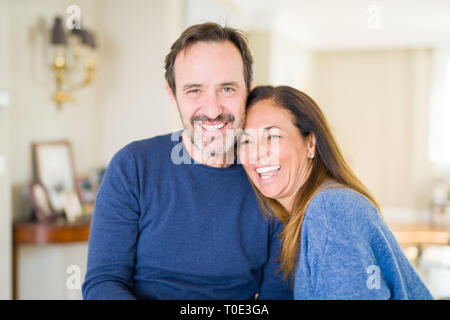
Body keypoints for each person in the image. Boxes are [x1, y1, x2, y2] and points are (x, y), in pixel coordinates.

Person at [82, 23, 292, 300]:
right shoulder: (133, 167)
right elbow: (103, 283)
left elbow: (276, 297)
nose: (213, 110)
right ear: (173, 96)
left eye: (227, 89)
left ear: (248, 91)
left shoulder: (270, 176)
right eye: (194, 90)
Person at [238, 85, 433, 300]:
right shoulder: (306, 215)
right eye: (246, 141)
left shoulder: (329, 210)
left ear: (311, 142)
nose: (256, 153)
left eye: (273, 137)